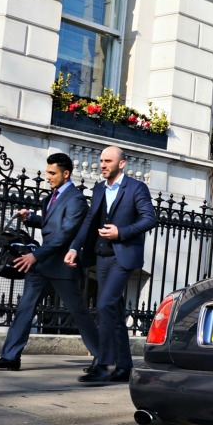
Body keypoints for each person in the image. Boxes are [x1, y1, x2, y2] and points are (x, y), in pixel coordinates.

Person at [0, 153, 99, 371]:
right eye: (47, 172)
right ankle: (10, 357)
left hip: (62, 267)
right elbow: (51, 224)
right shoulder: (51, 197)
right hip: (43, 266)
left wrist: (35, 255)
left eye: (52, 173)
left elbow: (65, 234)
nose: (47, 177)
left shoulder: (76, 200)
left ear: (66, 174)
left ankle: (103, 357)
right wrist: (32, 218)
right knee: (25, 308)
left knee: (78, 313)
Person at [66, 146, 157, 384]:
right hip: (101, 256)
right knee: (114, 312)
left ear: (122, 164)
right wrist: (75, 247)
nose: (103, 165)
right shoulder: (99, 189)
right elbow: (89, 220)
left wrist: (121, 232)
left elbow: (150, 218)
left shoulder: (137, 188)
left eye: (108, 161)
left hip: (123, 257)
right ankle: (124, 367)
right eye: (101, 161)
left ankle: (104, 363)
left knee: (105, 304)